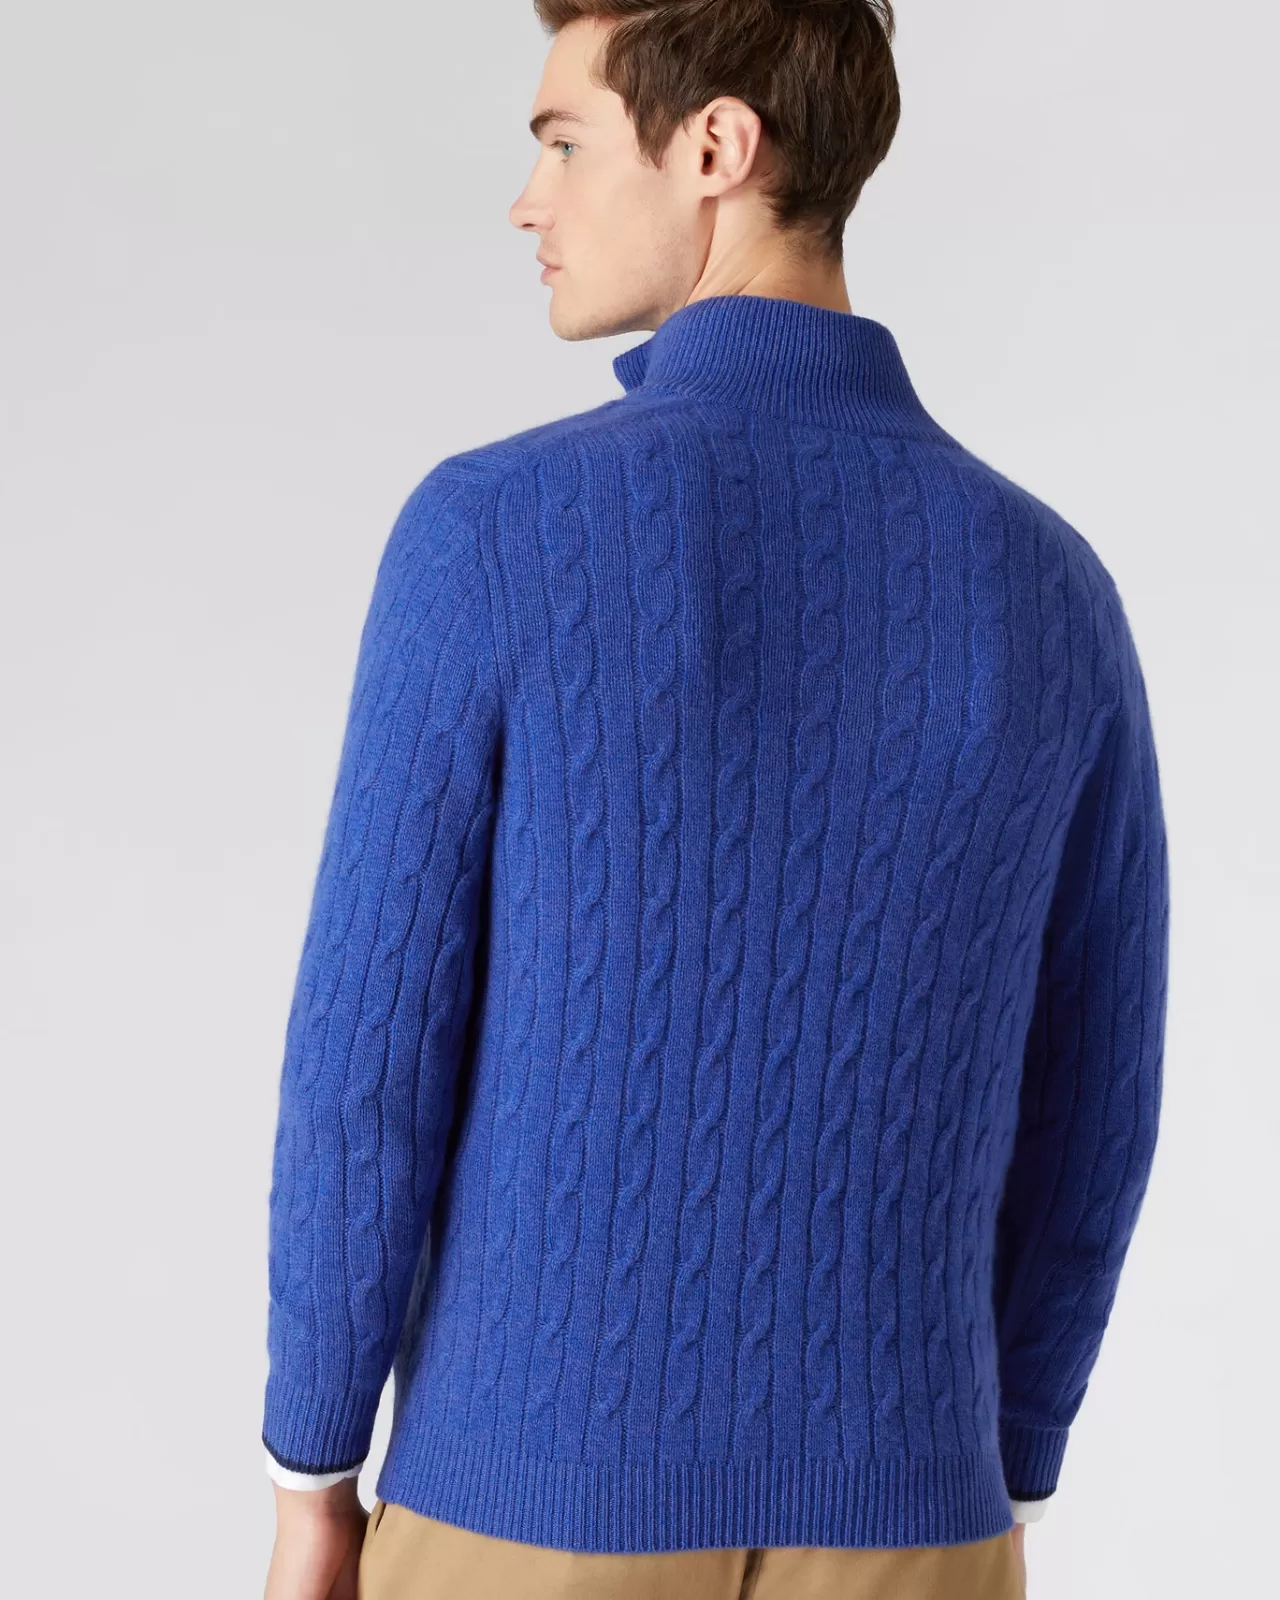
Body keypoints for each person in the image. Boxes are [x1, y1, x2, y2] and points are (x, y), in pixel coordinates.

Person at [261, 3, 1170, 1597]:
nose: (528, 201)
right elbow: (1095, 1103)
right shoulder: (1051, 590)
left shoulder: (494, 534)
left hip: (531, 1511)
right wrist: (1007, 1456)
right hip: (919, 1520)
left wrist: (310, 1475)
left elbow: (368, 1070)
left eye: (563, 143)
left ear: (715, 148)